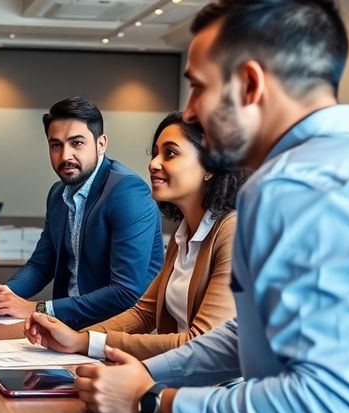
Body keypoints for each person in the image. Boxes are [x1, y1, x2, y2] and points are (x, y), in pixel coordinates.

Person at [72, 2, 349, 413]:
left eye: (198, 87)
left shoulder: (303, 187)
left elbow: (328, 408)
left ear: (249, 84)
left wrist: (154, 403)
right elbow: (247, 333)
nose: (193, 112)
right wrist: (153, 377)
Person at [24, 112, 249, 360]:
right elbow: (143, 313)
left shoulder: (233, 233)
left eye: (170, 153)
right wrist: (77, 339)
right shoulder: (184, 233)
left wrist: (85, 343)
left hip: (218, 391)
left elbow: (203, 344)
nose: (153, 164)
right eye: (155, 153)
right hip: (180, 377)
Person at [0, 97, 163, 329]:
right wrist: (6, 293)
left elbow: (126, 292)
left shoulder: (127, 191)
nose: (65, 156)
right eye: (56, 145)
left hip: (115, 332)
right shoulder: (58, 194)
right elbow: (41, 265)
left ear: (101, 144)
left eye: (77, 143)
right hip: (68, 326)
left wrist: (38, 309)